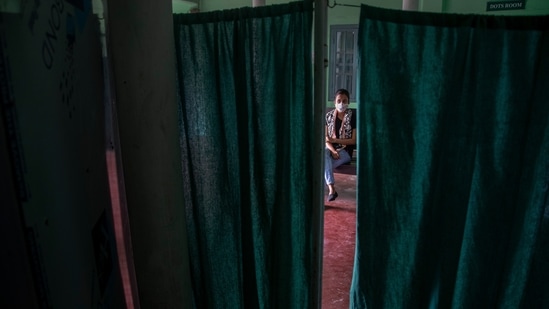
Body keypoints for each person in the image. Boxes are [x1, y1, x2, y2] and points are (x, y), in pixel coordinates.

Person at [324, 88, 356, 202]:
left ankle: (320, 196)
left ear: (348, 102)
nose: (341, 103)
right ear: (334, 102)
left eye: (344, 100)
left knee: (320, 167)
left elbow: (353, 141)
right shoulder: (328, 116)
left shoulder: (353, 116)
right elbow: (326, 139)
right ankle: (332, 189)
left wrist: (335, 140)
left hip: (345, 151)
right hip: (330, 150)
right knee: (324, 154)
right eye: (339, 100)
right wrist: (333, 150)